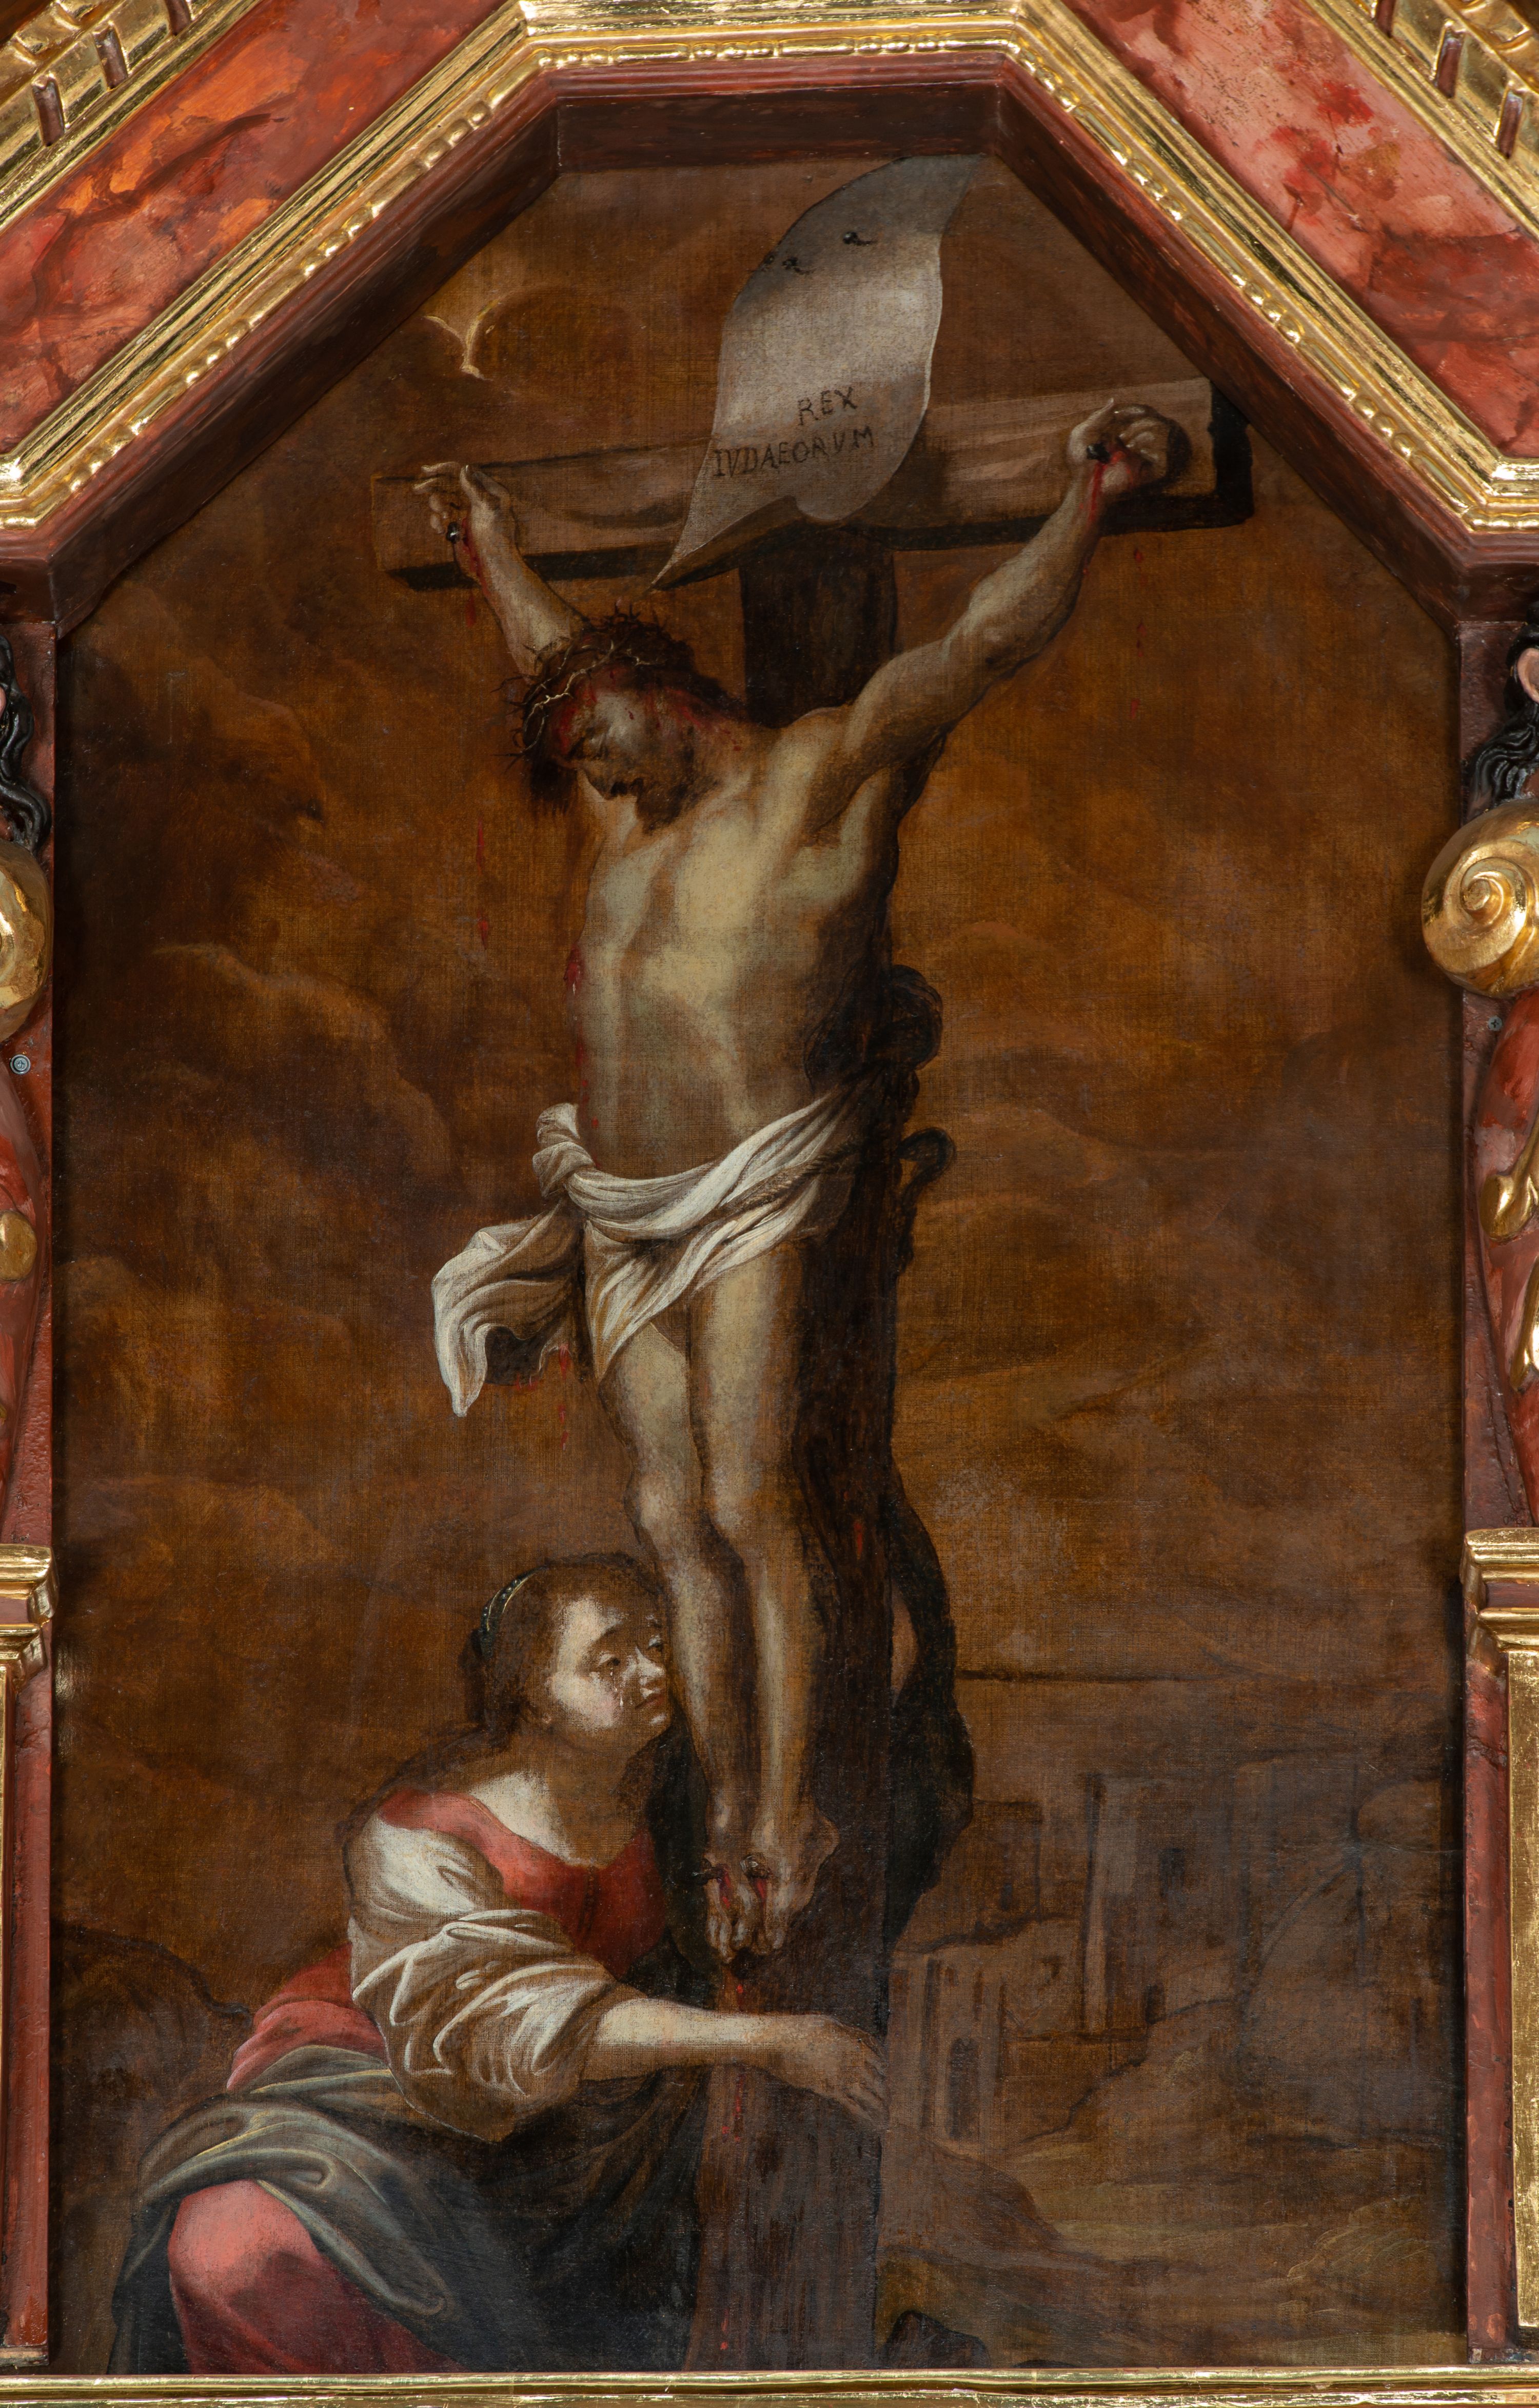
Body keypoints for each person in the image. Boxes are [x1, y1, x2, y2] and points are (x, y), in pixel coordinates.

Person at [424, 400, 1172, 1958]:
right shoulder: (621, 793)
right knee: (668, 1514)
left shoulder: (822, 778)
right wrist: (490, 547)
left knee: (753, 1499)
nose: (589, 769)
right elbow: (553, 659)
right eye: (572, 752)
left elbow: (979, 646)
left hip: (760, 1186)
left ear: (658, 688)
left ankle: (786, 1811)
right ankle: (721, 1800)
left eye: (597, 734)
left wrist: (1091, 496)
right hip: (622, 1207)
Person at [109, 1553, 883, 2376]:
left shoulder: (679, 1804)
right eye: (611, 1659)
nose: (655, 1671)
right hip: (377, 2086)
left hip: (554, 2129)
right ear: (535, 1691)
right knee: (241, 2250)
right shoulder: (415, 1835)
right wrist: (773, 2040)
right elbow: (509, 2022)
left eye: (658, 1645)